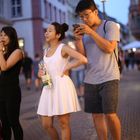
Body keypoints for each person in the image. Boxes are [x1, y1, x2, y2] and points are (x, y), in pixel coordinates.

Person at [74, 0, 121, 140]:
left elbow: (109, 48)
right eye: (81, 16)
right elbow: (83, 57)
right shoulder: (85, 32)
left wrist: (91, 33)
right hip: (90, 78)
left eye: (86, 15)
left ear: (95, 12)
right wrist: (78, 40)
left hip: (109, 77)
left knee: (110, 114)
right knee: (96, 115)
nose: (84, 19)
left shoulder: (109, 25)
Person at [37, 22, 87, 140]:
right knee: (46, 124)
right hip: (48, 86)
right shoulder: (45, 50)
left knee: (63, 123)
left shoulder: (63, 47)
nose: (46, 33)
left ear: (58, 35)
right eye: (46, 31)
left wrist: (67, 67)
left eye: (50, 31)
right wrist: (41, 74)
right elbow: (44, 68)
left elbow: (83, 59)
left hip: (61, 85)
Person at [0, 26, 23, 140]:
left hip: (12, 92)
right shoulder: (4, 53)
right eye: (1, 35)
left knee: (13, 121)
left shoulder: (17, 52)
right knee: (4, 123)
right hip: (1, 91)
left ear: (12, 37)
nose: (2, 37)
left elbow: (4, 67)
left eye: (5, 35)